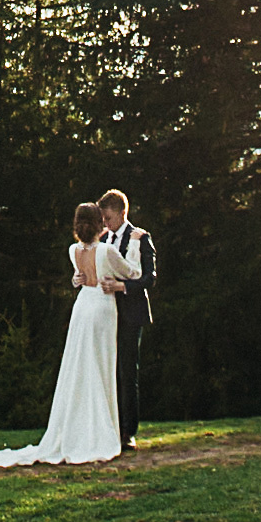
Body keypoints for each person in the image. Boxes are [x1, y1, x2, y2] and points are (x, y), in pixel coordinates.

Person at [0, 202, 139, 467]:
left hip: (82, 308)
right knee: (101, 368)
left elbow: (79, 277)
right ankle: (102, 431)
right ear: (100, 223)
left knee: (80, 367)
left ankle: (79, 428)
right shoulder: (107, 251)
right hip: (102, 308)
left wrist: (77, 280)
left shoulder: (73, 250)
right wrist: (134, 244)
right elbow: (132, 272)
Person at [95, 189, 155, 451]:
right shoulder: (103, 240)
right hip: (107, 313)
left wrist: (122, 287)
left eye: (108, 218)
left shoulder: (140, 237)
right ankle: (109, 428)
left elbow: (149, 278)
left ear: (122, 213)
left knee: (127, 372)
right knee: (108, 371)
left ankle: (128, 431)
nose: (105, 224)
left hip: (131, 314)